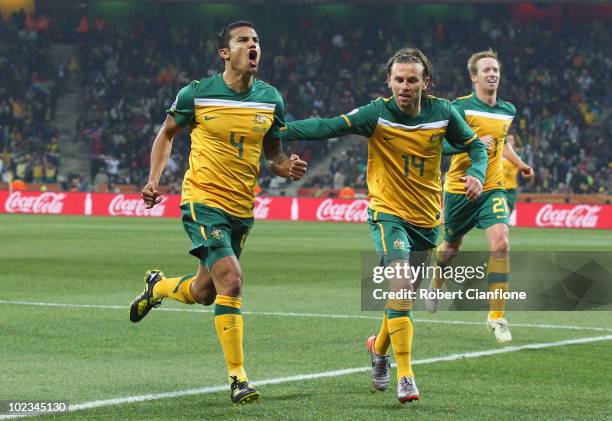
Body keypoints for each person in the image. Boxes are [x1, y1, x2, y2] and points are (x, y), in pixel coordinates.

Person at [281, 48, 488, 403]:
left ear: (426, 82)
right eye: (398, 79)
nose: (404, 86)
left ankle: (378, 349)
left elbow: (476, 147)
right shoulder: (377, 113)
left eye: (412, 80)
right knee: (402, 282)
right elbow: (328, 126)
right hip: (388, 213)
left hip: (426, 219)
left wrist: (476, 174)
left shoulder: (443, 113)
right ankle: (405, 375)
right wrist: (279, 129)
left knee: (402, 296)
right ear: (388, 81)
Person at [129, 21, 307, 404]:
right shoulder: (198, 93)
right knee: (233, 279)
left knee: (206, 291)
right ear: (225, 52)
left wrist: (285, 166)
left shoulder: (271, 98)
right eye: (244, 40)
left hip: (242, 208)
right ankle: (238, 379)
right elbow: (166, 134)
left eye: (257, 39)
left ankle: (156, 287)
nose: (253, 44)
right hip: (203, 200)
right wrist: (154, 179)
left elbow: (272, 154)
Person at [427, 50, 534, 343]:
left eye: (496, 70)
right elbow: (440, 148)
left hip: (492, 187)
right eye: (486, 70)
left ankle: (497, 317)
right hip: (460, 188)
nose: (493, 74)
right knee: (450, 247)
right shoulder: (458, 108)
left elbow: (502, 144)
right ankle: (436, 282)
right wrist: (471, 144)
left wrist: (520, 163)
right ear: (473, 77)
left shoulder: (507, 110)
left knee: (501, 245)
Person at [502, 132, 531, 214]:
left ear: (515, 141)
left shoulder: (519, 156)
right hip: (499, 188)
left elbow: (526, 171)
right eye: (508, 140)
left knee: (507, 215)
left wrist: (526, 175)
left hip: (511, 189)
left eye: (512, 140)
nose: (510, 141)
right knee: (503, 214)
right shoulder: (498, 153)